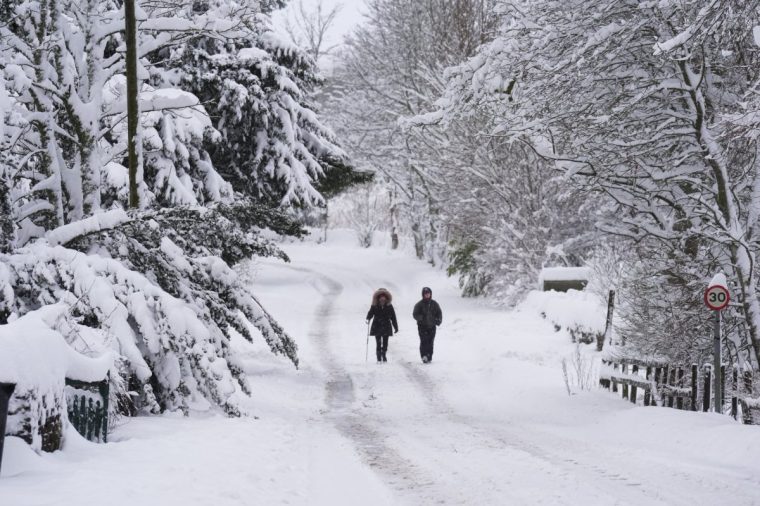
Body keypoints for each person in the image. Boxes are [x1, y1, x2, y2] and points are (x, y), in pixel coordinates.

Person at [366, 288, 398, 363]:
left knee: (385, 343)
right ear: (378, 297)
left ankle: (384, 354)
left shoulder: (389, 306)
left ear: (386, 297)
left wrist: (395, 327)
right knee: (378, 342)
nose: (382, 298)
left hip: (386, 326)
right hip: (377, 325)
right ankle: (378, 356)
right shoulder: (374, 305)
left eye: (384, 297)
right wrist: (368, 318)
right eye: (381, 296)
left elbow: (393, 317)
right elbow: (370, 313)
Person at [412, 286, 442, 363]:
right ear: (423, 295)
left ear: (430, 294)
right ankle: (424, 356)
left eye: (428, 293)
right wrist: (421, 318)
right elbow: (415, 314)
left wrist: (438, 320)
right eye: (425, 294)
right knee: (424, 341)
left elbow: (439, 313)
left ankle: (429, 356)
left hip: (432, 326)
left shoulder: (434, 304)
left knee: (430, 342)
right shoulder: (419, 304)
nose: (427, 295)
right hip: (422, 327)